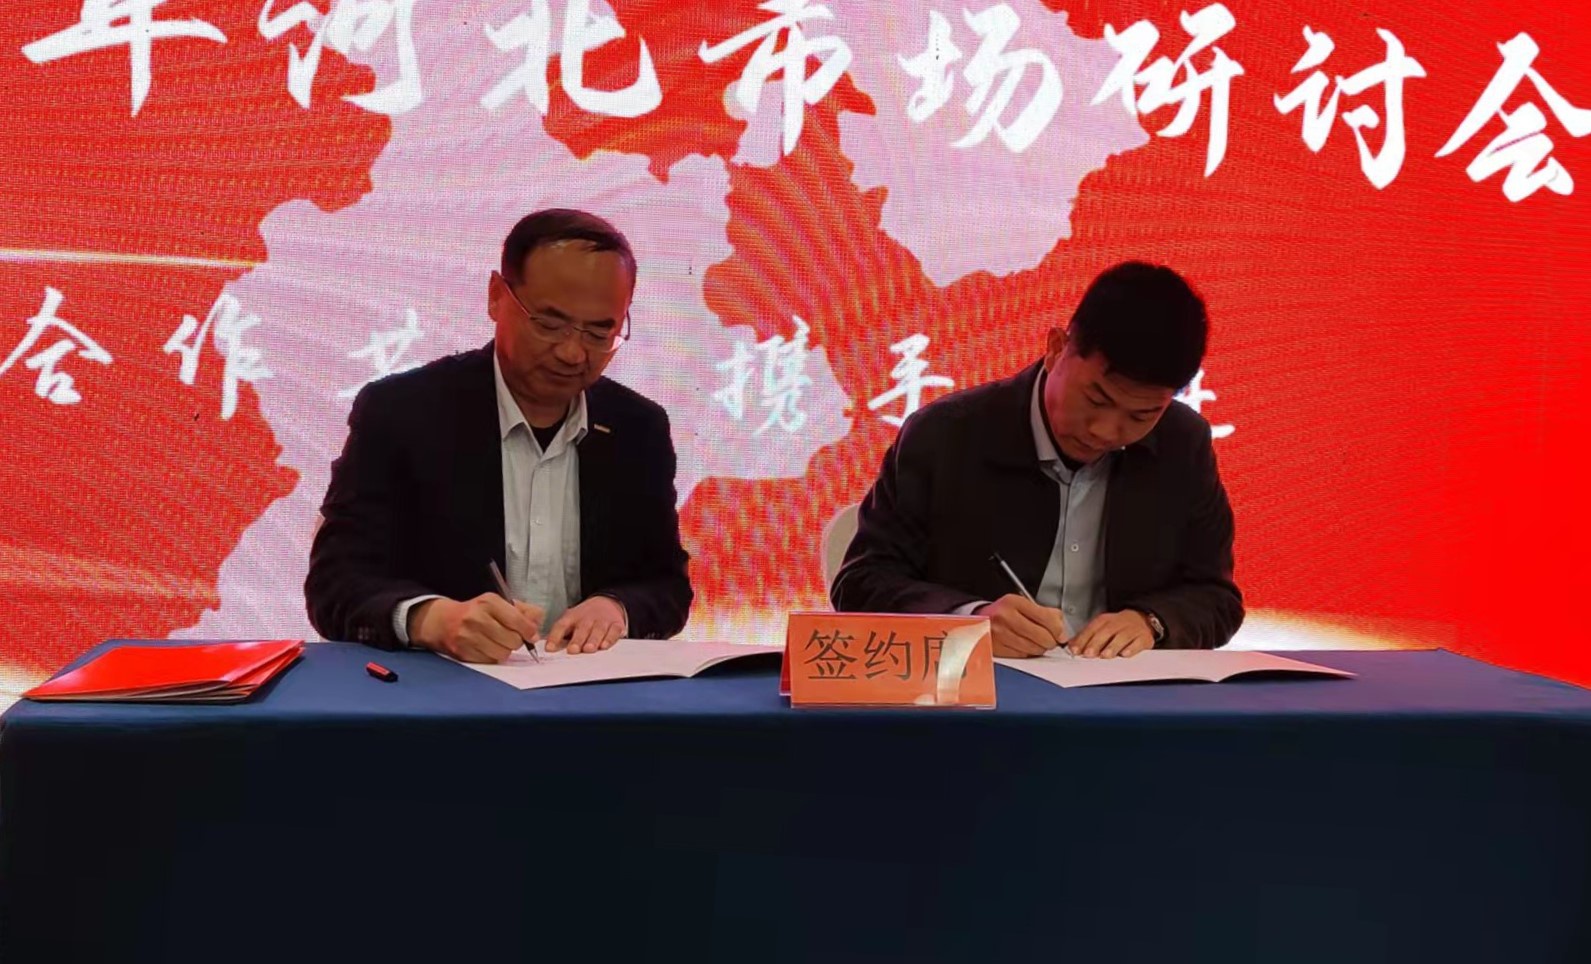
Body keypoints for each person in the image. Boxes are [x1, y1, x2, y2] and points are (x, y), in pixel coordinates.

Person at [306, 209, 692, 662]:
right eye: (549, 324)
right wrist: (432, 620)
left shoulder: (638, 428)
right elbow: (336, 582)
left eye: (598, 332)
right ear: (496, 296)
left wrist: (618, 608)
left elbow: (665, 584)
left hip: (589, 693)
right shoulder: (402, 412)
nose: (572, 352)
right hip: (439, 691)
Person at [831, 261, 1242, 659]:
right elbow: (862, 581)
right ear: (1056, 349)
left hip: (1123, 691)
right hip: (984, 689)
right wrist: (969, 619)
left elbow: (1216, 596)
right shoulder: (946, 435)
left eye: (1140, 416)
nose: (1105, 431)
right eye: (1096, 399)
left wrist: (1152, 621)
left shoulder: (1182, 444)